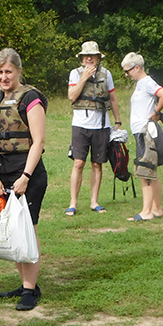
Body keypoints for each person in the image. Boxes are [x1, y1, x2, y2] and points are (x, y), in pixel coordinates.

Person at [0, 48, 47, 311]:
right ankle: (24, 284)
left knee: (27, 229)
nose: (4, 76)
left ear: (19, 71)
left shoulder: (30, 99)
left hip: (27, 174)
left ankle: (30, 291)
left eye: (8, 71)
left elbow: (38, 141)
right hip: (3, 174)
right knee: (12, 229)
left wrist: (25, 177)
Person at [66, 41, 120, 215]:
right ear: (82, 58)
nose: (89, 58)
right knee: (78, 163)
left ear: (98, 58)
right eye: (86, 56)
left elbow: (113, 98)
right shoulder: (75, 74)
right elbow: (72, 97)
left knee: (97, 164)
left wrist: (117, 121)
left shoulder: (106, 74)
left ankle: (94, 201)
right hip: (81, 125)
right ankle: (73, 203)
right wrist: (84, 78)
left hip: (102, 125)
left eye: (93, 55)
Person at [121, 52, 163, 221]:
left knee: (144, 170)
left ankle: (146, 212)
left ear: (137, 67)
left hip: (145, 132)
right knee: (152, 171)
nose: (126, 75)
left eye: (128, 71)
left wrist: (156, 112)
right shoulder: (141, 84)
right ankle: (156, 208)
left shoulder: (147, 82)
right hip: (141, 131)